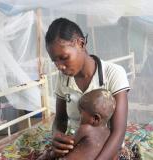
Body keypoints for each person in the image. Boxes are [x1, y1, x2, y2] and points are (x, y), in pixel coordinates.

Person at [46, 18, 130, 159]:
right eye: (55, 61)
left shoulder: (113, 73)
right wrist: (57, 136)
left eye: (64, 57)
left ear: (81, 44)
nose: (59, 66)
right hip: (77, 144)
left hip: (105, 149)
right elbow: (60, 119)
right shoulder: (63, 79)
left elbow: (118, 132)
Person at [38, 89, 115, 160]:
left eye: (81, 114)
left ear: (95, 119)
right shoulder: (108, 132)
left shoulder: (85, 129)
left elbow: (67, 146)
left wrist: (50, 154)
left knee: (50, 153)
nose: (79, 118)